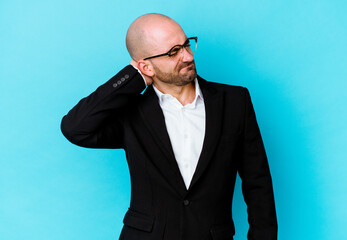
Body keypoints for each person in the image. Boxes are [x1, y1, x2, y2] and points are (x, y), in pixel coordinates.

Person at [61, 13, 277, 240]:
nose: (187, 56)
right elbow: (75, 128)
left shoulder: (234, 101)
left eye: (186, 44)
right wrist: (133, 76)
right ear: (146, 66)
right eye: (173, 52)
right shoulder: (130, 114)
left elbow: (258, 184)